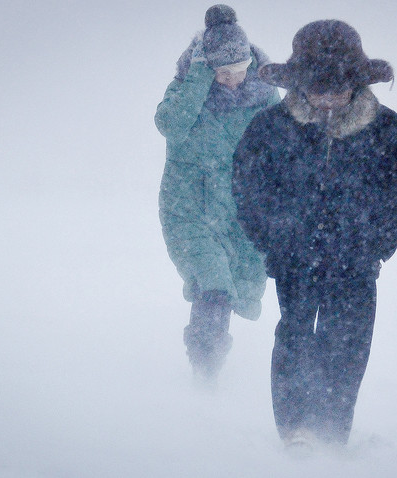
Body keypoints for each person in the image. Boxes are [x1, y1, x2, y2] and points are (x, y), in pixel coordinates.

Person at [232, 20, 397, 447]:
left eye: (339, 88)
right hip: (294, 256)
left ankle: (333, 430)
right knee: (296, 336)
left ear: (357, 85)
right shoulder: (271, 129)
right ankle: (295, 429)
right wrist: (273, 239)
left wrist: (379, 242)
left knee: (348, 342)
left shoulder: (386, 129)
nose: (329, 98)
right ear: (299, 86)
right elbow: (248, 188)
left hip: (356, 259)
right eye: (319, 87)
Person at [154, 4, 279, 385]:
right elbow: (168, 125)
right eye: (223, 73)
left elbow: (282, 144)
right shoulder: (187, 91)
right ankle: (204, 372)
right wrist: (197, 79)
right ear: (208, 68)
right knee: (215, 286)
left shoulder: (264, 96)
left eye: (239, 72)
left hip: (239, 212)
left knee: (236, 287)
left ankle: (210, 368)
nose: (232, 81)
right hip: (189, 211)